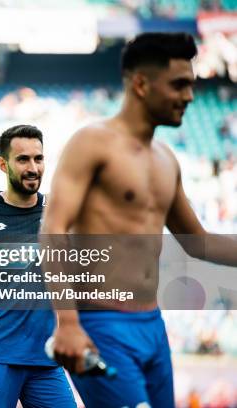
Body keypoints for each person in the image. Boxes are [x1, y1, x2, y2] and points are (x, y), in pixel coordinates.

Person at [42, 32, 237, 407]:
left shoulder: (166, 159)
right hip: (103, 326)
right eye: (179, 85)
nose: (190, 96)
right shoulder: (91, 143)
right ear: (142, 84)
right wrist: (67, 322)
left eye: (192, 85)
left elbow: (199, 241)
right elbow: (54, 229)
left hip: (153, 326)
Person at [0, 125, 76, 408]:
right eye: (23, 159)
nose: (33, 168)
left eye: (38, 159)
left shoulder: (59, 213)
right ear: (3, 164)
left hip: (45, 358)